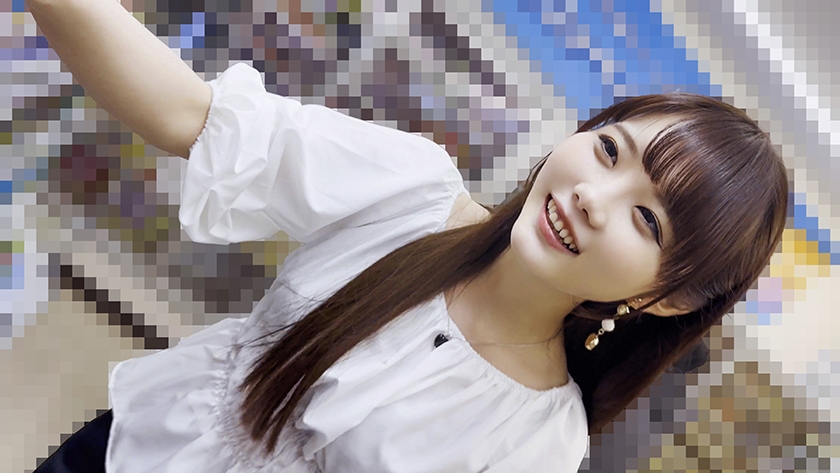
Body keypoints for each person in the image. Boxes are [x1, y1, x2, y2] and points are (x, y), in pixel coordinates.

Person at [27, 0, 788, 471]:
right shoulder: (410, 191)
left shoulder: (538, 440)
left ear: (668, 296)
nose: (593, 196)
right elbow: (188, 115)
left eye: (648, 219)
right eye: (610, 150)